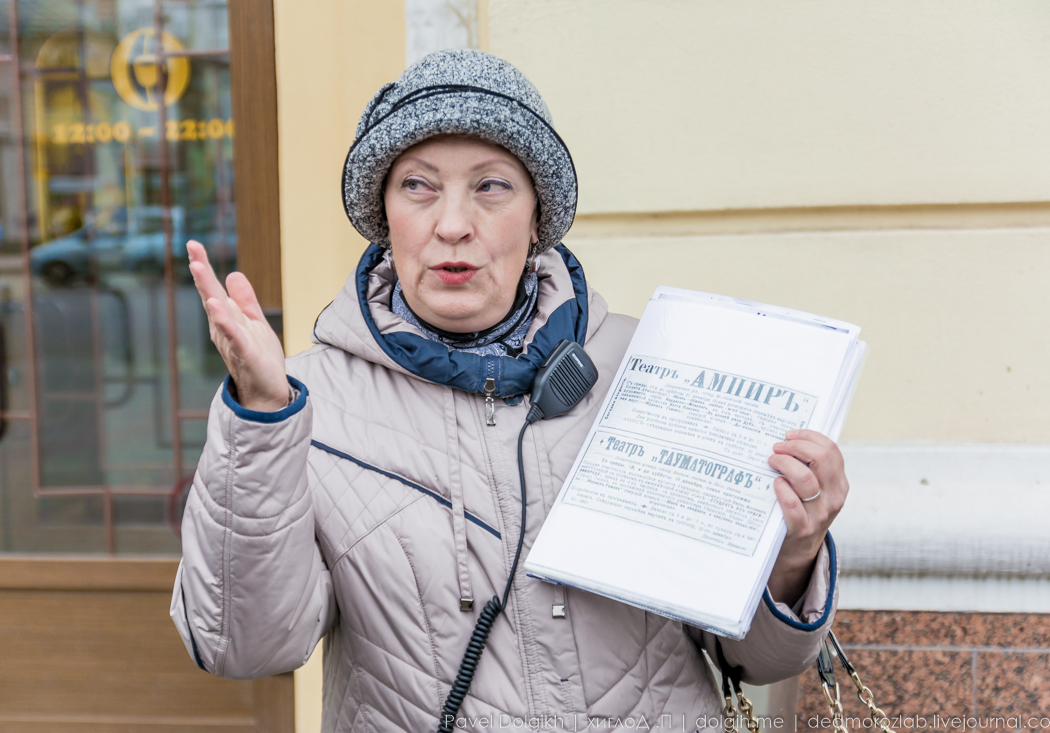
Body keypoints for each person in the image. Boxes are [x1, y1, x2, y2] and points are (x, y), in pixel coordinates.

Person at [171, 49, 847, 731]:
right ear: (384, 212)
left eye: (491, 186)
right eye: (418, 186)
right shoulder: (307, 403)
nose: (453, 224)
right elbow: (242, 646)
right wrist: (260, 416)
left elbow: (754, 657)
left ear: (537, 216)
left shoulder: (647, 369)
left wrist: (795, 551)